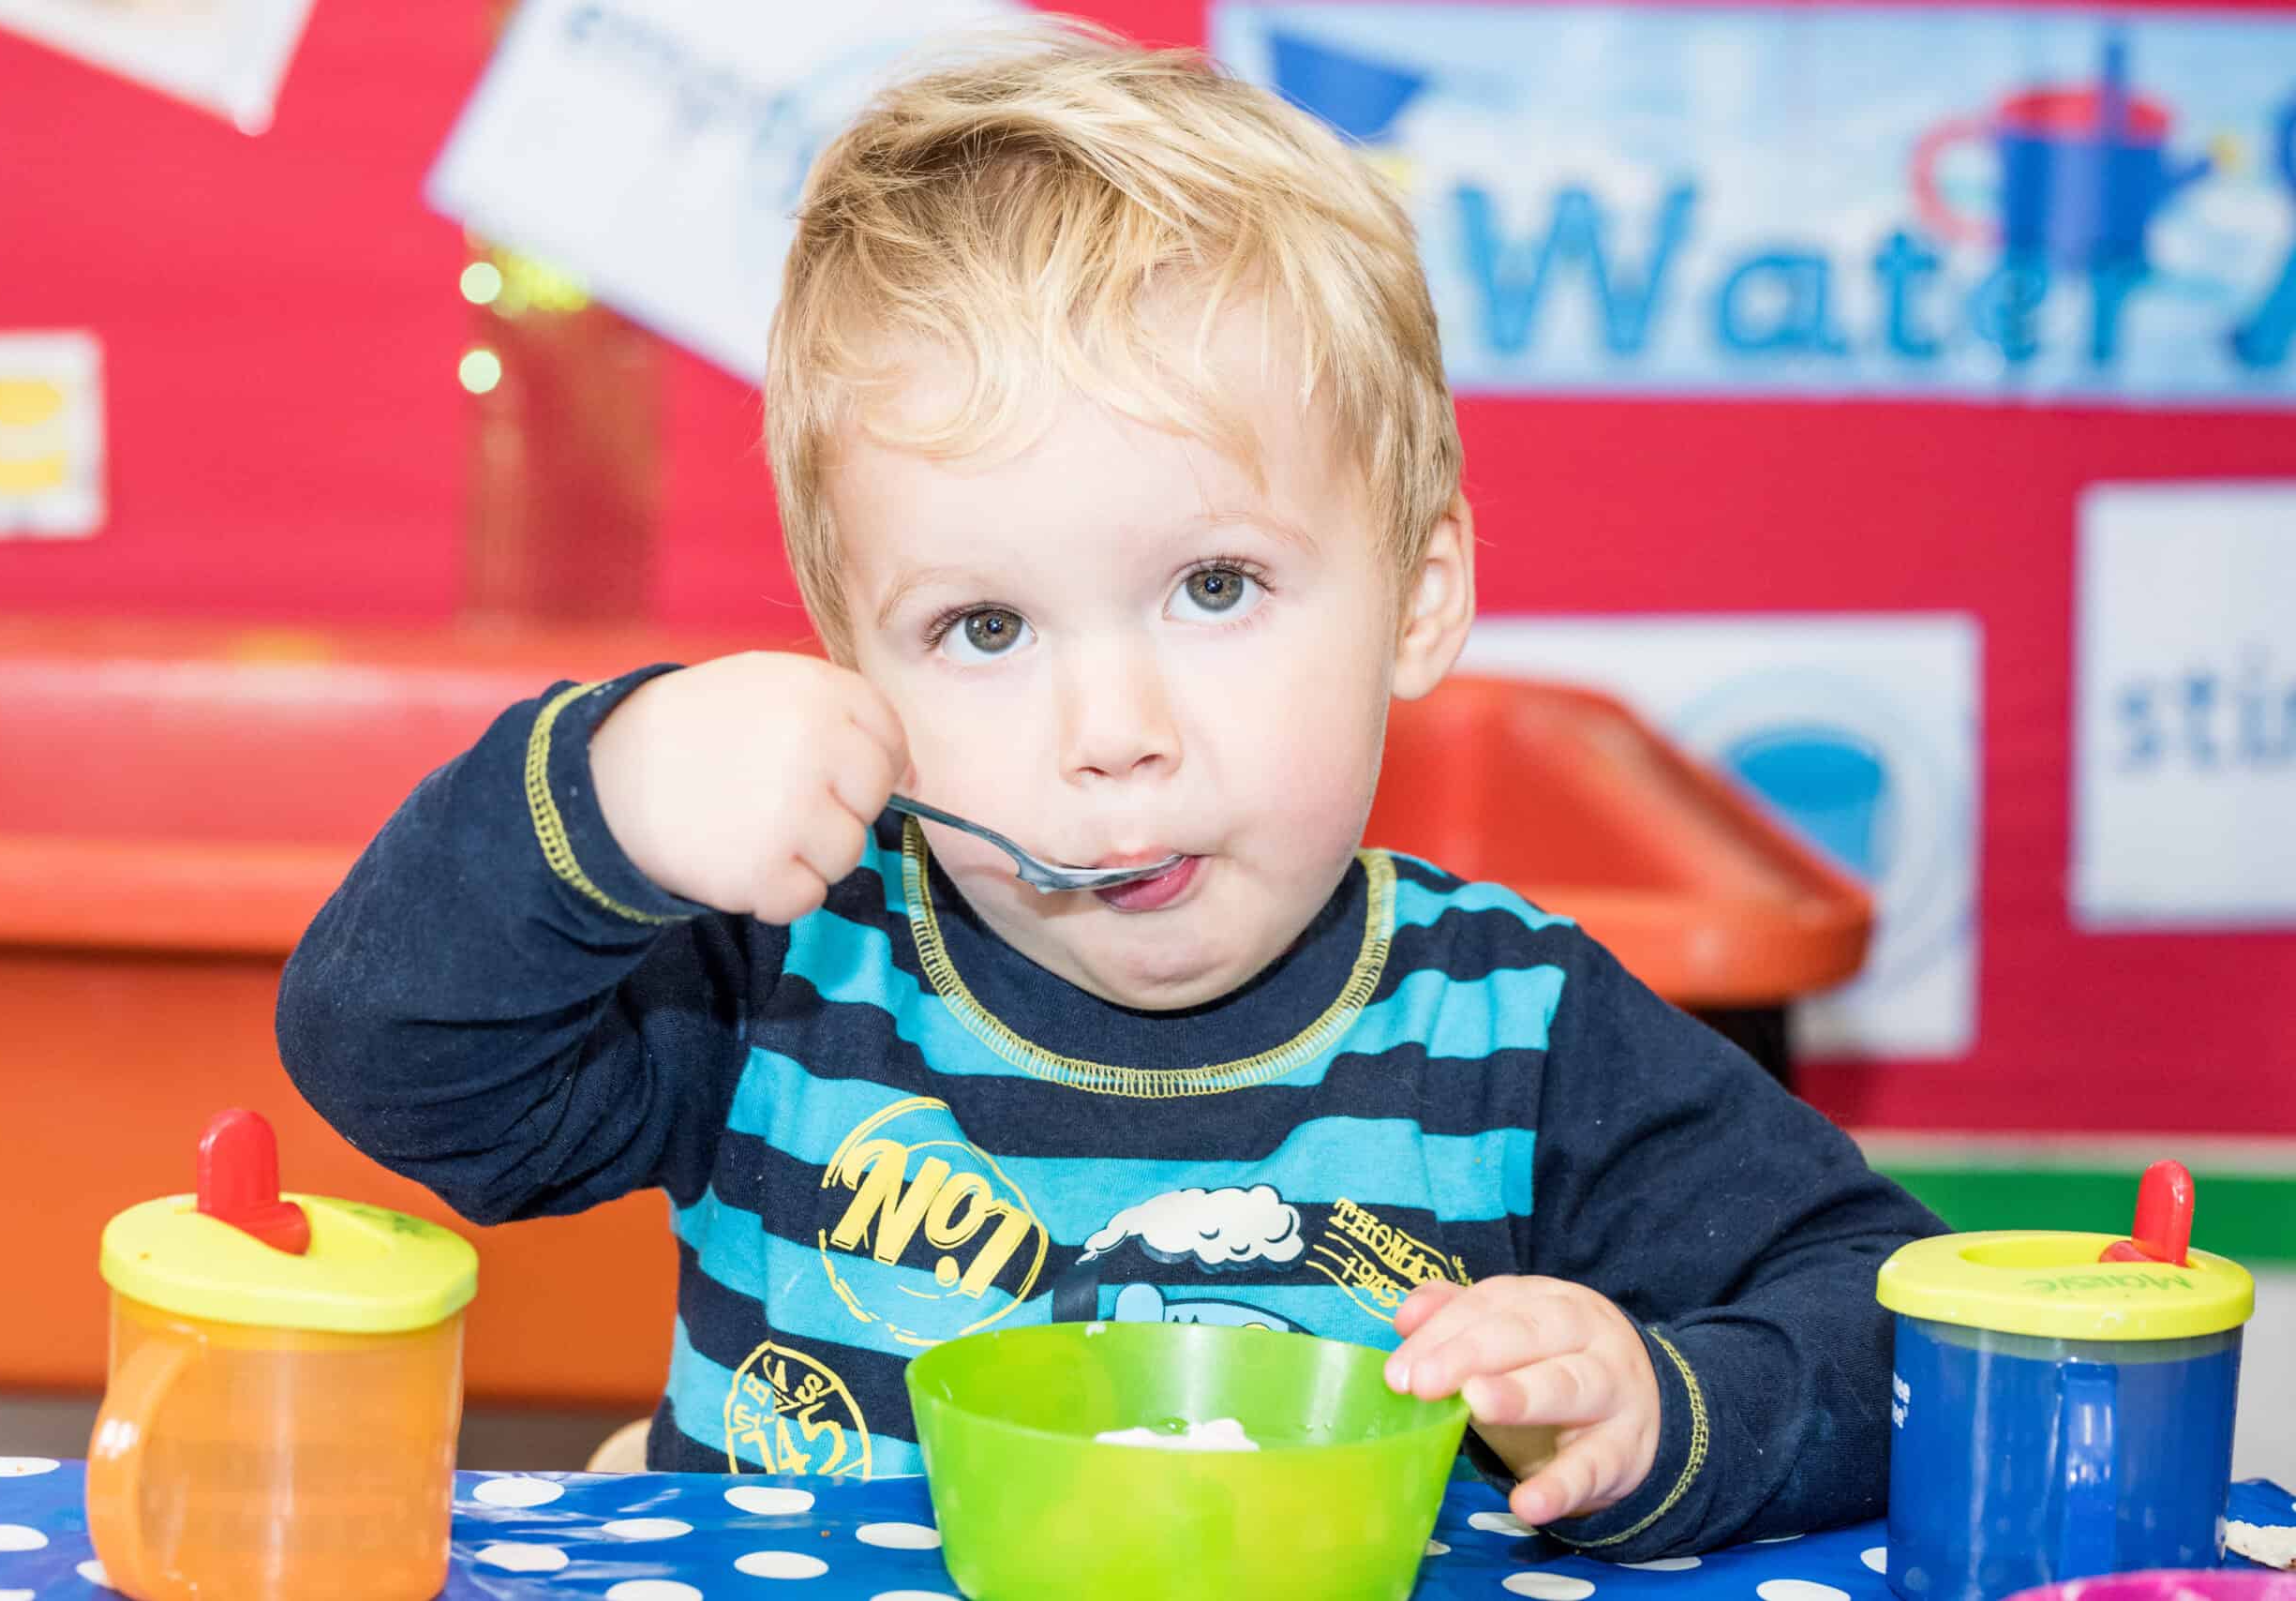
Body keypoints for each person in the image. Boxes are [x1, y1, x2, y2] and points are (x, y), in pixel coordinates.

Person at [278, 22, 1940, 1559]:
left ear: (1420, 593)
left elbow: (1898, 1317)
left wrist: (1666, 1411)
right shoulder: (788, 965)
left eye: (1215, 588)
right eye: (982, 627)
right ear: (851, 660)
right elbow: (384, 1061)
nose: (1111, 730)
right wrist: (609, 796)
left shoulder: (1513, 1036)